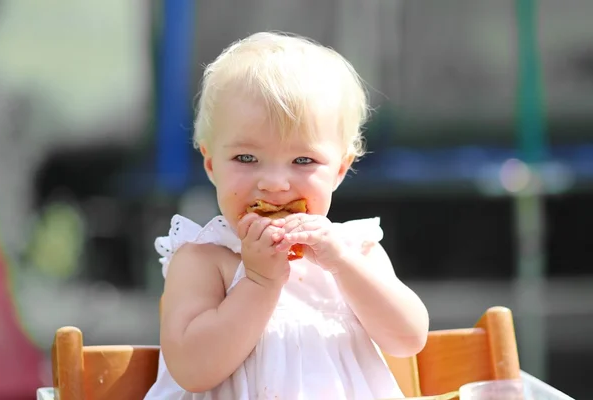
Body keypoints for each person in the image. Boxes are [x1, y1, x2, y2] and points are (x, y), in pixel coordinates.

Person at [144, 31, 429, 400]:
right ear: (211, 164)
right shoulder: (204, 259)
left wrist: (343, 264)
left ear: (339, 171)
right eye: (246, 158)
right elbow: (192, 370)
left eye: (303, 160)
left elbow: (409, 339)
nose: (275, 184)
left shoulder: (356, 253)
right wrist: (259, 282)